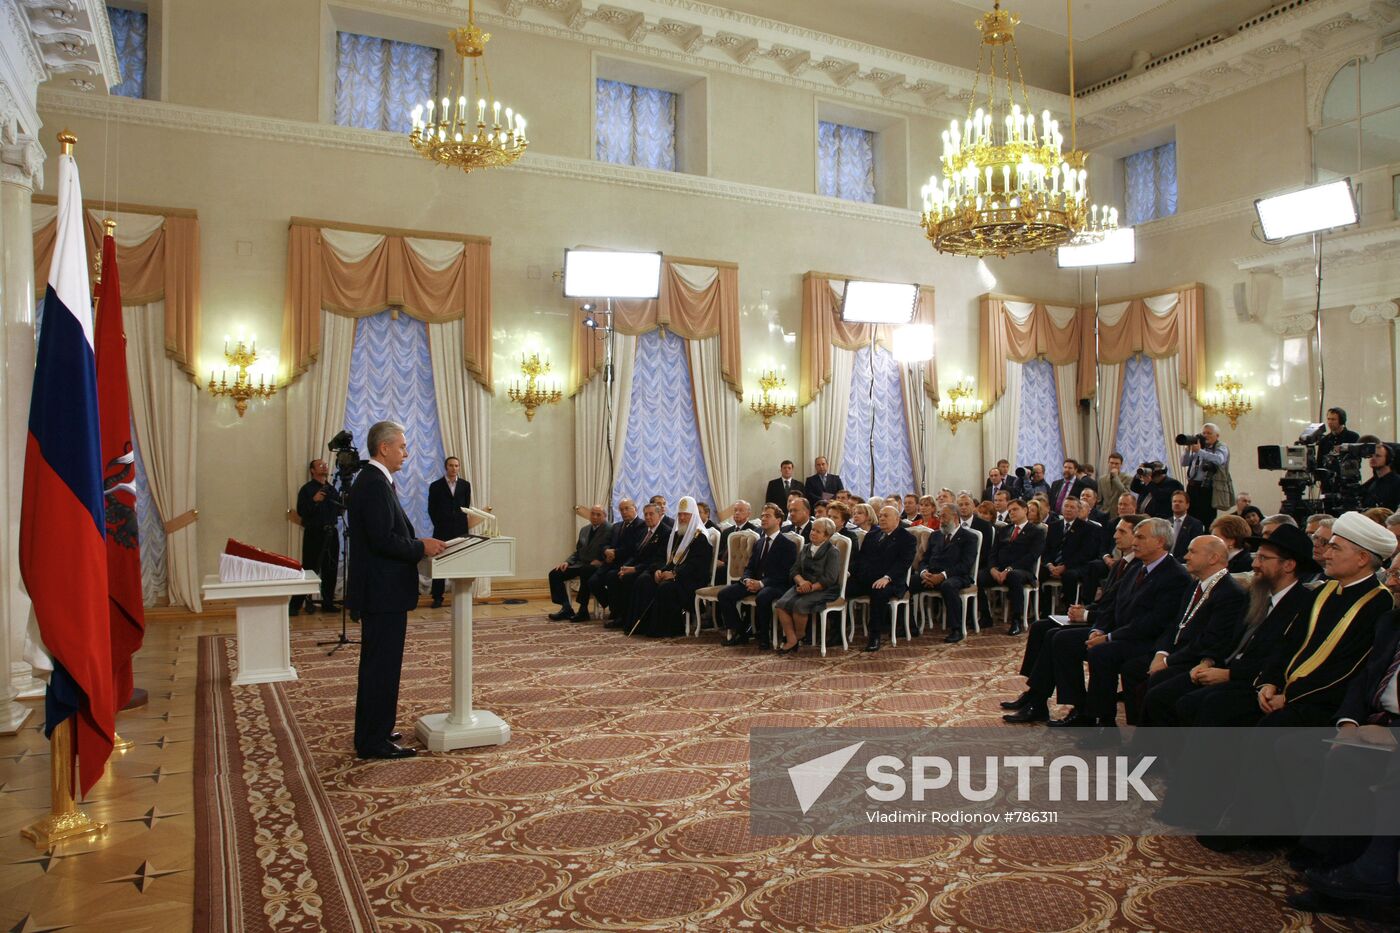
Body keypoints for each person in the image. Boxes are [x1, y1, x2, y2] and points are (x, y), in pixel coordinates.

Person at [348, 420, 446, 760]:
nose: (406, 453)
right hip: (382, 592)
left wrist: (418, 544)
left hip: (383, 591)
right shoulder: (374, 483)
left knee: (379, 666)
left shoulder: (375, 480)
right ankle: (373, 741)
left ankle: (374, 730)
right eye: (402, 447)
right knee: (381, 668)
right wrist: (421, 546)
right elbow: (382, 540)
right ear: (384, 448)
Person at [1046, 517, 1191, 733]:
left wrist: (1109, 637)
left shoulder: (1175, 575)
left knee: (1102, 653)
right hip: (1121, 633)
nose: (1135, 542)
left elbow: (1154, 622)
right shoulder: (1137, 567)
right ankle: (1080, 708)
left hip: (1146, 641)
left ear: (1160, 542)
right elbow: (1112, 606)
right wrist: (1098, 629)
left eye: (1141, 537)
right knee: (1063, 639)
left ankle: (1104, 722)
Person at [1002, 515, 1145, 724]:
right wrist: (1085, 609)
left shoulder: (1138, 566)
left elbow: (1120, 612)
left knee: (1056, 636)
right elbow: (1106, 602)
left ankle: (1070, 705)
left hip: (1110, 625)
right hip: (1101, 617)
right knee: (1041, 627)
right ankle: (1036, 695)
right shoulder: (1121, 564)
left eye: (1122, 531)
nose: (1115, 536)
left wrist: (1087, 615)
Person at [1126, 536, 1248, 737]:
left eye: (1192, 551)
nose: (1185, 556)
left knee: (1159, 693)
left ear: (1213, 558)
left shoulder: (1230, 593)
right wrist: (1162, 653)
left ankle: (1154, 749)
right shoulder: (1196, 585)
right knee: (1133, 668)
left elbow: (1212, 640)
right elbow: (1175, 624)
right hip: (1178, 654)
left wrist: (1168, 661)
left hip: (1199, 660)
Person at [629, 497, 714, 638]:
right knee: (645, 580)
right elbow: (670, 559)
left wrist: (675, 574)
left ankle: (667, 629)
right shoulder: (678, 534)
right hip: (677, 574)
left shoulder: (700, 537)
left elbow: (697, 565)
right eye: (680, 514)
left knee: (666, 587)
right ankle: (643, 626)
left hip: (691, 579)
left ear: (693, 516)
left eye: (686, 514)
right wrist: (660, 571)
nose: (682, 518)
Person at [718, 504, 798, 646]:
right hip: (755, 582)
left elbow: (784, 574)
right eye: (762, 516)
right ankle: (741, 632)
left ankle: (764, 637)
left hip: (776, 584)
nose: (763, 519)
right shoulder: (759, 542)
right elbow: (750, 567)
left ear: (778, 520)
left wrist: (761, 584)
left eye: (767, 516)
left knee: (763, 596)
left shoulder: (788, 545)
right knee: (724, 594)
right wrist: (747, 579)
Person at [850, 506, 917, 652]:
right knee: (843, 588)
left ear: (897, 519)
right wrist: (859, 574)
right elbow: (861, 559)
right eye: (880, 516)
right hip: (868, 578)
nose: (882, 519)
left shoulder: (907, 538)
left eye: (886, 516)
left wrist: (887, 577)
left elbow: (903, 563)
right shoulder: (872, 535)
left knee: (878, 592)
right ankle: (837, 632)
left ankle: (875, 636)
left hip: (892, 581)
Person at [772, 517, 843, 653]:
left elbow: (830, 578)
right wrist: (802, 582)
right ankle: (792, 639)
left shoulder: (832, 552)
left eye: (818, 531)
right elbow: (794, 570)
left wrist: (810, 588)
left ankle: (799, 635)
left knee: (799, 605)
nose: (813, 533)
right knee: (781, 604)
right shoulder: (805, 548)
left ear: (826, 536)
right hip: (803, 585)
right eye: (812, 530)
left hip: (824, 589)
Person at [912, 503, 978, 642]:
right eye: (940, 516)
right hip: (931, 575)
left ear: (955, 517)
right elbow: (925, 559)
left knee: (948, 585)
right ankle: (909, 625)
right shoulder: (935, 535)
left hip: (956, 576)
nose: (941, 520)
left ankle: (956, 630)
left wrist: (942, 576)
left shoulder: (969, 537)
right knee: (908, 582)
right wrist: (924, 572)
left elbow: (965, 565)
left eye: (944, 517)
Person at [979, 499, 1046, 635]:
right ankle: (985, 616)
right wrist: (992, 569)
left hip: (1022, 570)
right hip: (1000, 570)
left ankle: (1016, 620)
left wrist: (1009, 569)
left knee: (1014, 576)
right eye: (1009, 511)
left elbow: (1032, 556)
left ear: (1025, 510)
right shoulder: (1004, 530)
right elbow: (993, 552)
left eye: (1015, 509)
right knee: (978, 577)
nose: (1011, 513)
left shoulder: (1036, 531)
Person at [606, 503, 669, 631]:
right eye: (646, 514)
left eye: (651, 514)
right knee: (613, 575)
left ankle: (629, 619)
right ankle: (618, 614)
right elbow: (636, 554)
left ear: (659, 515)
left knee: (629, 578)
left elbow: (658, 559)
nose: (648, 517)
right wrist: (626, 567)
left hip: (652, 569)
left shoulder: (665, 532)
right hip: (640, 566)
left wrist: (635, 569)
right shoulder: (646, 531)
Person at [292, 458, 342, 615]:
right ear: (312, 470)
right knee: (309, 568)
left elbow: (339, 510)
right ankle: (295, 605)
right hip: (314, 533)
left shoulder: (331, 489)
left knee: (330, 568)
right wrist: (314, 501)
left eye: (325, 464)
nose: (324, 466)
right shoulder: (306, 489)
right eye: (320, 465)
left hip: (331, 533)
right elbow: (301, 511)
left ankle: (328, 603)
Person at [547, 504, 611, 622]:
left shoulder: (610, 529)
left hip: (597, 566)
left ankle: (583, 609)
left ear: (605, 516)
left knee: (586, 571)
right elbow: (578, 551)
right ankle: (566, 607)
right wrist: (567, 562)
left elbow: (611, 549)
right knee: (555, 574)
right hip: (581, 563)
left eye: (598, 514)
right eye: (593, 514)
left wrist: (601, 561)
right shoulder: (584, 530)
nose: (595, 517)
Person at [427, 456, 471, 609]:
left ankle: (460, 594)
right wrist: (439, 523)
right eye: (451, 465)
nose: (454, 468)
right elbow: (431, 508)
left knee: (461, 561)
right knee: (439, 562)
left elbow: (466, 507)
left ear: (459, 467)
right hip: (442, 529)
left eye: (456, 466)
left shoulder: (465, 485)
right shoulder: (435, 486)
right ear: (446, 467)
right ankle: (437, 597)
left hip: (460, 530)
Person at [589, 498, 644, 619]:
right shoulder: (617, 526)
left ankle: (616, 612)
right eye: (621, 510)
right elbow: (604, 544)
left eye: (627, 508)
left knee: (611, 577)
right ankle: (614, 606)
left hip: (627, 563)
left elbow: (633, 548)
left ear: (635, 508)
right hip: (610, 562)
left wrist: (614, 553)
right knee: (593, 582)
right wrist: (606, 551)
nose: (624, 512)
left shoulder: (642, 525)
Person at [1044, 497, 1101, 605]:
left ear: (1078, 510)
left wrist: (1065, 566)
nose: (1068, 509)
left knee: (1069, 575)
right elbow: (1046, 549)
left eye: (1072, 507)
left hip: (1075, 565)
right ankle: (1044, 609)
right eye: (1066, 506)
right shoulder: (1053, 526)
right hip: (1053, 565)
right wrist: (1049, 565)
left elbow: (1086, 553)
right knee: (1039, 573)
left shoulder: (1088, 528)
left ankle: (1069, 607)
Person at [1180, 422, 1232, 525]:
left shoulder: (1220, 446)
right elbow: (1184, 463)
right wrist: (1187, 450)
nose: (1205, 436)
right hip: (1192, 487)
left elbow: (1219, 459)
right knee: (1191, 517)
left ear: (1217, 436)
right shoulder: (1200, 446)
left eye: (1209, 433)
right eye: (1203, 433)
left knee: (1206, 518)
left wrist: (1199, 451)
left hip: (1208, 488)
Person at [716, 500, 759, 572]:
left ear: (748, 514)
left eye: (741, 510)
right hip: (721, 564)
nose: (737, 513)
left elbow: (749, 556)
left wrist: (725, 564)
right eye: (735, 510)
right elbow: (720, 550)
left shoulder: (753, 531)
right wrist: (716, 560)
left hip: (739, 568)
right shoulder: (727, 531)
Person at [1361, 443, 1400, 511]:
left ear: (1389, 459)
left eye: (1377, 456)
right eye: (1371, 456)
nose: (1373, 458)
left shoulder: (1397, 482)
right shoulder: (1371, 484)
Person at [1168, 490, 1205, 561]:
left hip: (1184, 562)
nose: (1177, 504)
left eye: (1180, 501)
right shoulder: (1165, 523)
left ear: (1187, 505)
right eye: (1174, 501)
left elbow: (1196, 548)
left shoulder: (1195, 524)